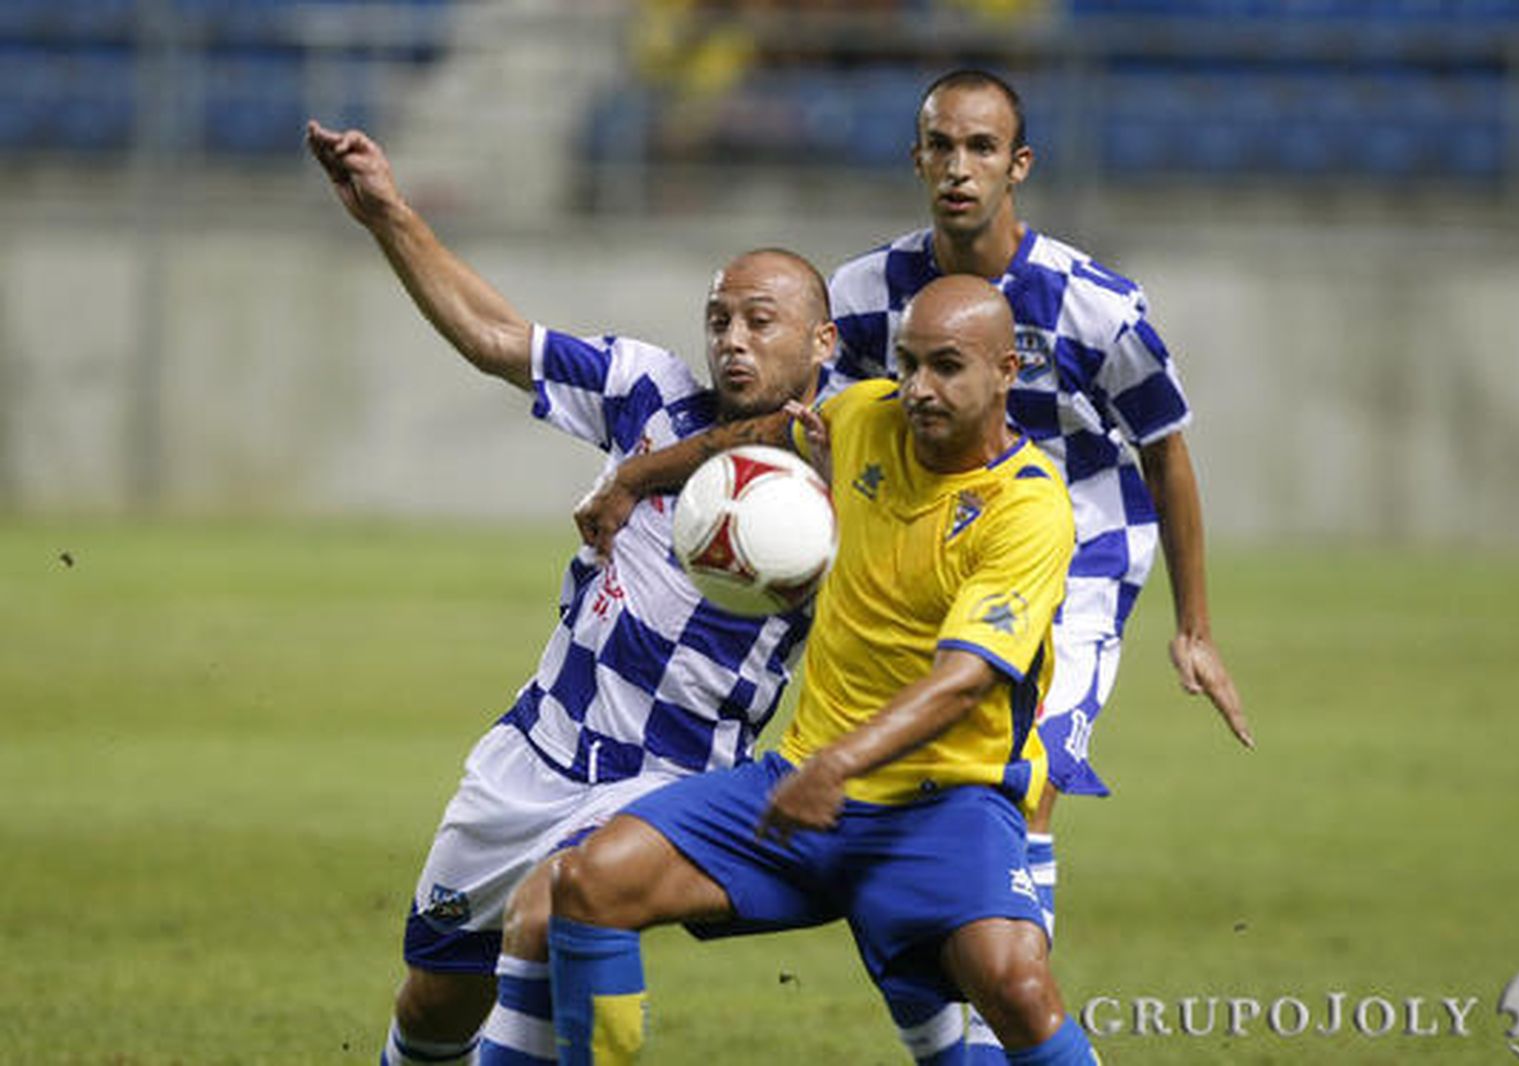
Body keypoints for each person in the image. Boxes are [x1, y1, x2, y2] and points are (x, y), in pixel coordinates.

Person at [576, 66, 1252, 1063]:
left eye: (981, 148)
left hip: (1072, 544)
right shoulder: (865, 294)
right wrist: (658, 479)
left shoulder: (1096, 306)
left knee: (1022, 774)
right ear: (917, 159)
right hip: (913, 527)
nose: (959, 168)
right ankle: (950, 1022)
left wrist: (1193, 627)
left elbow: (1165, 450)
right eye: (942, 146)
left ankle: (1003, 1003)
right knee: (880, 784)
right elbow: (815, 422)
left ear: (1019, 165)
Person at [306, 119, 836, 1066]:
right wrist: (388, 214)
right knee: (436, 1001)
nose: (733, 341)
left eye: (761, 322)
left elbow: (801, 442)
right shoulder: (647, 390)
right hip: (535, 752)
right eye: (719, 320)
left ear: (822, 340)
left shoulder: (842, 465)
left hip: (668, 783)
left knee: (557, 906)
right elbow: (495, 337)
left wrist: (640, 477)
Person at [544, 275, 1099, 1066]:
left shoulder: (1028, 507)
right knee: (590, 882)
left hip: (944, 805)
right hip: (801, 789)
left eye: (946, 366)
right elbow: (763, 434)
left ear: (1007, 370)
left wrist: (838, 765)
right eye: (908, 363)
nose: (918, 388)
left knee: (1016, 988)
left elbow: (964, 681)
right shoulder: (863, 415)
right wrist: (633, 478)